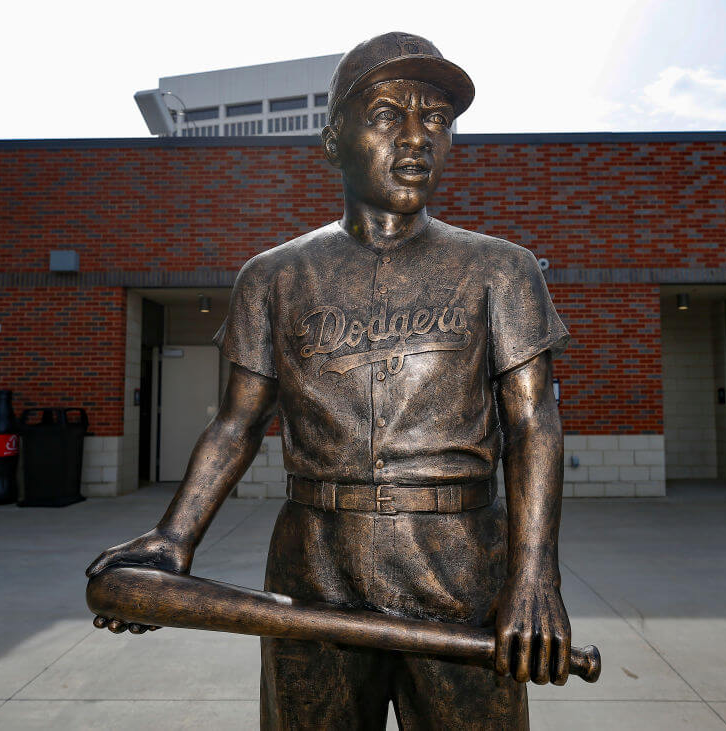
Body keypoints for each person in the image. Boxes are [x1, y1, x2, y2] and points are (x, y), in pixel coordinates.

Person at [87, 31, 572, 730]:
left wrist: (534, 576)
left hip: (461, 567)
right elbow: (238, 423)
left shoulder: (502, 269)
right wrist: (175, 534)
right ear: (332, 138)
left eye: (436, 118)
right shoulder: (274, 276)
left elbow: (533, 424)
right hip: (313, 565)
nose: (416, 138)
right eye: (386, 115)